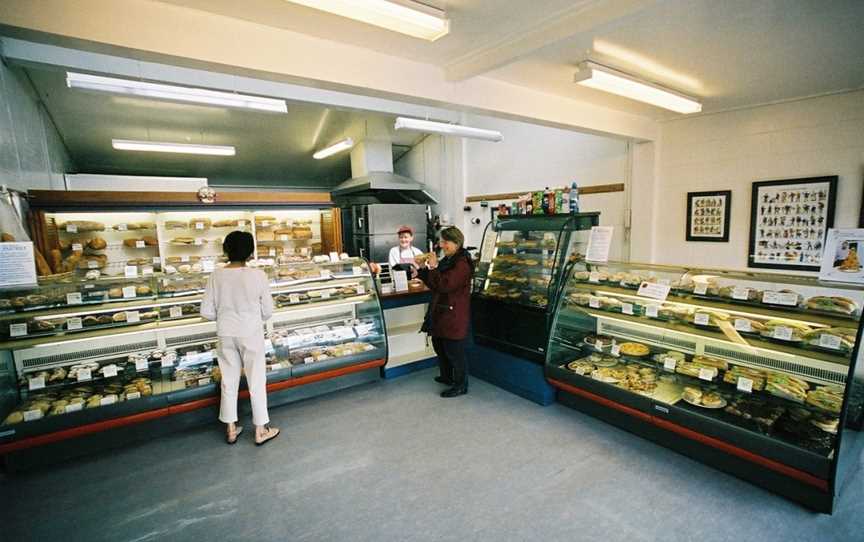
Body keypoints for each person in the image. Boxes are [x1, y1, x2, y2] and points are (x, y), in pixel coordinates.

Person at [201, 231, 280, 446]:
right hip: (251, 332)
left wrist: (227, 315)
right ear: (250, 251)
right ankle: (261, 430)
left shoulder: (215, 275)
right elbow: (268, 311)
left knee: (229, 380)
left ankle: (231, 428)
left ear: (226, 250)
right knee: (256, 380)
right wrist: (250, 316)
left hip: (226, 333)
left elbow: (206, 312)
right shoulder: (258, 275)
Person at [417, 226, 474, 398]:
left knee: (454, 352)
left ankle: (460, 385)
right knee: (440, 346)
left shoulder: (462, 263)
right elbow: (436, 283)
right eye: (441, 241)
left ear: (456, 243)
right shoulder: (448, 259)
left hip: (453, 314)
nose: (442, 245)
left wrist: (433, 268)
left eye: (445, 242)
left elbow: (445, 285)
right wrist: (422, 270)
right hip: (442, 312)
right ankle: (447, 376)